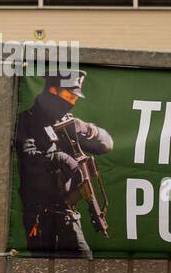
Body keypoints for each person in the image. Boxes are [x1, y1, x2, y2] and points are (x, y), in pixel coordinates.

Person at [14, 71, 113, 257]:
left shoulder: (67, 123)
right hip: (40, 215)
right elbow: (30, 161)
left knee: (83, 266)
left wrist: (86, 129)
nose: (72, 102)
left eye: (75, 98)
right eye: (69, 96)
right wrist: (62, 159)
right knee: (44, 272)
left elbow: (106, 145)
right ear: (52, 90)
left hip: (67, 213)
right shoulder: (27, 121)